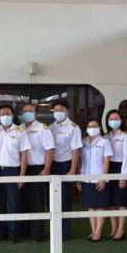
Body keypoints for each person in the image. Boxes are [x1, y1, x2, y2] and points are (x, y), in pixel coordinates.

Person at [0, 105, 30, 244]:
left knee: (14, 203)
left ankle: (14, 233)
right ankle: (2, 232)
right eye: (2, 114)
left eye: (8, 114)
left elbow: (24, 153)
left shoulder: (20, 131)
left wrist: (22, 174)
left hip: (13, 171)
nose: (5, 116)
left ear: (13, 115)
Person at [20, 103, 55, 242]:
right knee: (23, 201)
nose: (27, 113)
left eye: (30, 111)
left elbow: (49, 149)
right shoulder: (19, 128)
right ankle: (25, 231)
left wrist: (46, 169)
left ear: (36, 113)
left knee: (37, 202)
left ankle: (37, 233)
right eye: (24, 111)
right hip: (22, 169)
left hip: (37, 169)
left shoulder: (43, 128)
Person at [49, 100, 83, 239]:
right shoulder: (51, 127)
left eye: (61, 110)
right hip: (53, 165)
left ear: (67, 111)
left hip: (66, 165)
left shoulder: (73, 127)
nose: (58, 112)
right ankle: (54, 229)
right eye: (55, 110)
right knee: (52, 199)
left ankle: (64, 232)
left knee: (64, 200)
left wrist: (73, 169)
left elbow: (76, 150)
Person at [78, 119, 112, 243]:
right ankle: (93, 230)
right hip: (86, 179)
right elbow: (79, 161)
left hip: (99, 179)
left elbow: (107, 161)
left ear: (99, 128)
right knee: (90, 206)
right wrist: (78, 178)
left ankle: (98, 232)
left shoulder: (104, 142)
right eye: (90, 126)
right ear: (86, 129)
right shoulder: (83, 142)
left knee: (100, 206)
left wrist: (103, 178)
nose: (92, 128)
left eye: (95, 126)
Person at [105, 109, 127, 241]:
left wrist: (123, 177)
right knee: (112, 202)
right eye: (110, 119)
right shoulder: (106, 137)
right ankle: (114, 229)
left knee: (121, 202)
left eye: (116, 118)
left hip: (121, 168)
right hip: (109, 168)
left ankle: (121, 230)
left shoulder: (126, 137)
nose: (113, 121)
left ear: (121, 120)